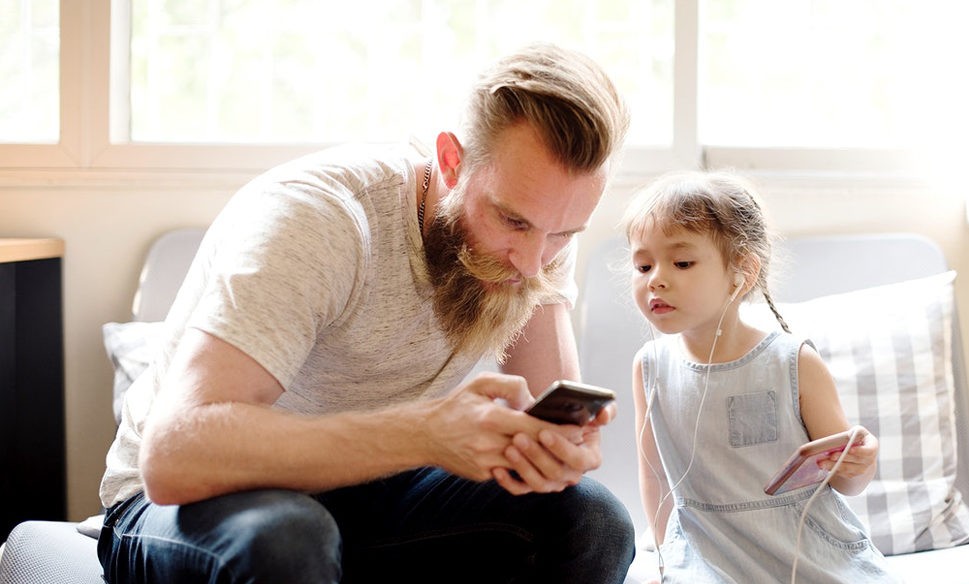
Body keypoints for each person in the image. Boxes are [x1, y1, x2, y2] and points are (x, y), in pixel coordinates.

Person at [96, 43, 634, 583]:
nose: (535, 259)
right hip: (192, 503)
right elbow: (174, 458)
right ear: (452, 161)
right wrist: (425, 433)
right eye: (513, 222)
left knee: (591, 520)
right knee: (289, 540)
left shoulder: (535, 236)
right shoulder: (320, 220)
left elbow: (554, 417)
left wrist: (559, 450)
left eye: (564, 233)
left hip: (369, 495)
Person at [622, 171, 896, 583]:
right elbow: (656, 478)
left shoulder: (793, 361)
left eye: (681, 262)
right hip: (706, 554)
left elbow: (845, 479)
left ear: (742, 272)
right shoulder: (649, 367)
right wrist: (668, 556)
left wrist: (860, 462)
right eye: (643, 265)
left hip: (803, 552)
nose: (655, 278)